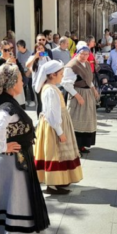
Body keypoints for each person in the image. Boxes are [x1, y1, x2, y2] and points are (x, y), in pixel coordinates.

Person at [0, 64, 50, 234]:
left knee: (14, 198)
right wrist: (4, 147)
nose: (23, 81)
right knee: (15, 198)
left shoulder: (8, 102)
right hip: (12, 162)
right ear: (12, 83)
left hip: (13, 161)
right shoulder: (7, 106)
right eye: (20, 79)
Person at [34, 60, 83, 194]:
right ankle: (53, 183)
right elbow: (52, 114)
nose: (62, 75)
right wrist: (60, 132)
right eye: (60, 73)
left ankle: (60, 179)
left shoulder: (51, 88)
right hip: (54, 126)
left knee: (59, 153)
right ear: (53, 75)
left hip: (58, 123)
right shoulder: (50, 90)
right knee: (54, 153)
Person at [63, 44, 100, 153]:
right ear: (77, 53)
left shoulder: (87, 63)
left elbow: (88, 79)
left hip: (87, 94)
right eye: (82, 54)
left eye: (86, 54)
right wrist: (78, 96)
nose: (84, 56)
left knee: (87, 120)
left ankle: (82, 145)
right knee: (76, 120)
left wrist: (93, 89)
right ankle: (75, 147)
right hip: (77, 93)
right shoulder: (71, 66)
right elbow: (66, 84)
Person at [27, 43, 52, 116]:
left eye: (41, 48)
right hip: (36, 83)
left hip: (46, 83)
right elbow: (27, 65)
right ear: (35, 50)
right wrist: (35, 57)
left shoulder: (46, 57)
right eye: (38, 49)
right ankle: (39, 118)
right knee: (39, 102)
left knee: (46, 101)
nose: (40, 50)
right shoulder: (32, 57)